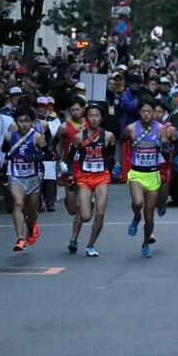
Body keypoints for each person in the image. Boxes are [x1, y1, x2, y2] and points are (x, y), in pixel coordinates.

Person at [120, 96, 171, 258]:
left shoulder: (160, 129)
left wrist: (161, 148)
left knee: (149, 215)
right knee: (137, 202)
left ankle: (145, 243)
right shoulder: (131, 128)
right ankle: (136, 217)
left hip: (153, 174)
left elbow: (167, 150)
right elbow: (119, 142)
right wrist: (116, 162)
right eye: (143, 111)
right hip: (136, 173)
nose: (146, 114)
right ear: (139, 112)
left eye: (149, 111)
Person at [69, 103, 116, 257]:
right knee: (85, 216)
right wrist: (70, 174)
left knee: (100, 213)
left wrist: (110, 169)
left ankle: (90, 245)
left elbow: (111, 155)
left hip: (101, 177)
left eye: (97, 116)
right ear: (86, 117)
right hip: (84, 178)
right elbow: (70, 158)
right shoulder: (78, 137)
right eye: (91, 116)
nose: (94, 119)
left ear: (102, 118)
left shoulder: (108, 136)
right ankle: (74, 238)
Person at [1, 107, 51, 251]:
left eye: (27, 121)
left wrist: (34, 156)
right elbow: (5, 151)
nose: (24, 124)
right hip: (16, 177)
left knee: (32, 213)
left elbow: (48, 155)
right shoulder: (10, 136)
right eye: (21, 121)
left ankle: (31, 227)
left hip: (33, 178)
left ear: (32, 122)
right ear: (16, 122)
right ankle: (20, 239)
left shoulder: (37, 137)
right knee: (18, 203)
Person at [53, 96, 89, 254]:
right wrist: (58, 160)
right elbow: (53, 144)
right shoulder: (63, 127)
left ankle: (73, 239)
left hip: (87, 167)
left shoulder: (91, 123)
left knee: (82, 207)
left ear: (83, 109)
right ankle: (73, 203)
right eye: (72, 110)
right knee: (72, 209)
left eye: (78, 109)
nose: (75, 112)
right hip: (70, 168)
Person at [154, 101, 178, 220]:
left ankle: (162, 205)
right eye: (155, 111)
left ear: (164, 113)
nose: (157, 114)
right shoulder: (144, 128)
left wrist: (168, 151)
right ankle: (149, 227)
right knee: (149, 201)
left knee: (162, 200)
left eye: (160, 112)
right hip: (148, 168)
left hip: (164, 167)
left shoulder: (170, 129)